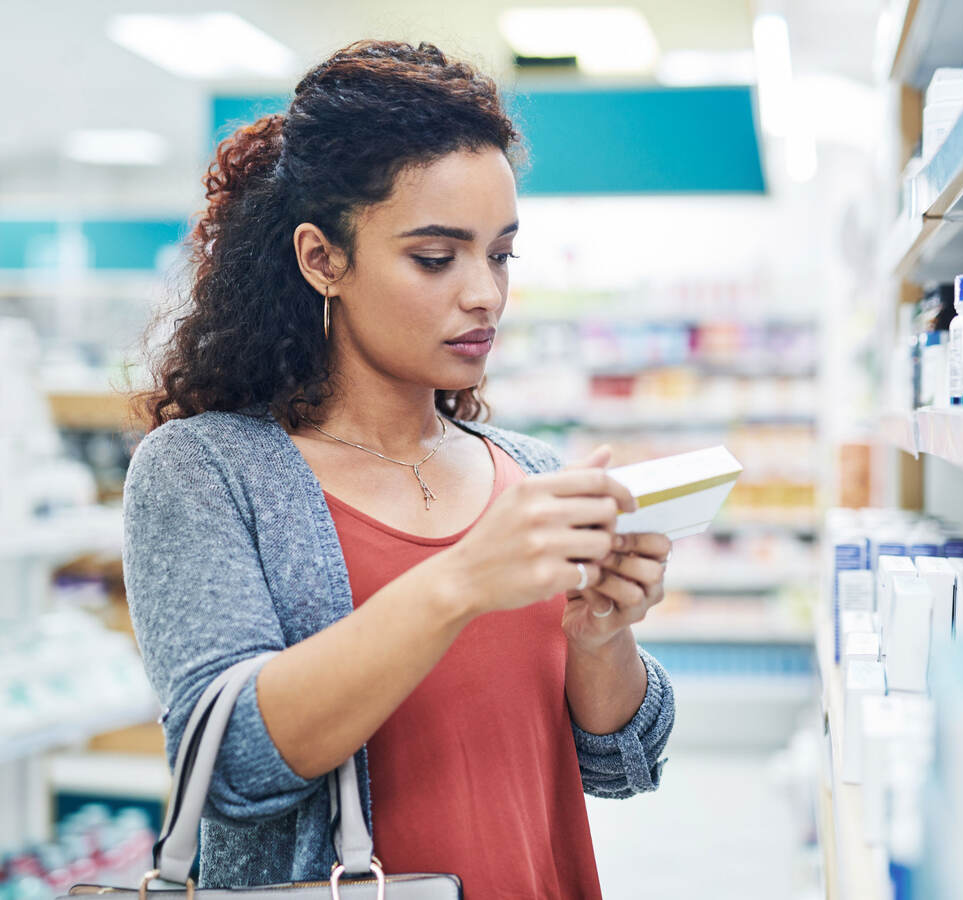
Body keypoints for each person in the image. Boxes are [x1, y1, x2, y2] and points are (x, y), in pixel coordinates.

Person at [122, 40, 674, 899]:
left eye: (500, 254)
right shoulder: (204, 472)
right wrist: (458, 582)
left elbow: (622, 764)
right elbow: (230, 767)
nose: (485, 294)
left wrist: (601, 633)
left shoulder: (528, 471)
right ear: (322, 260)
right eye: (435, 257)